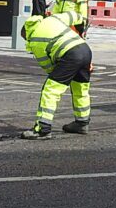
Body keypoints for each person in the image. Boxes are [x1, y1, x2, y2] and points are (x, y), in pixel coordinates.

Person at [19, 11, 92, 139]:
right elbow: (76, 16)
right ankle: (82, 123)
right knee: (80, 89)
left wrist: (65, 73)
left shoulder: (35, 40)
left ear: (26, 35)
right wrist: (80, 33)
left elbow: (49, 68)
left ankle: (43, 129)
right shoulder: (52, 19)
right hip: (84, 49)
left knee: (50, 89)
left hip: (70, 56)